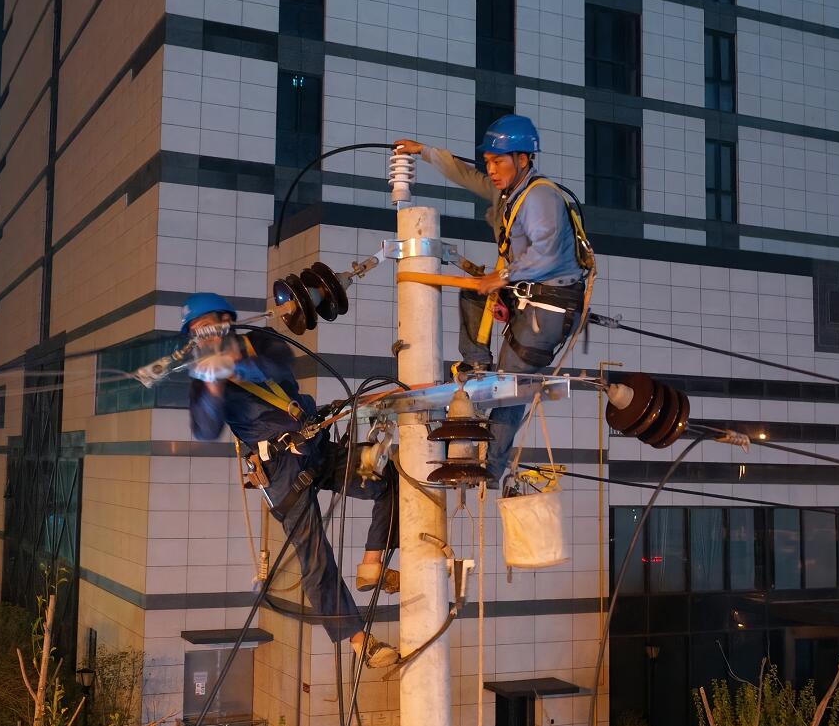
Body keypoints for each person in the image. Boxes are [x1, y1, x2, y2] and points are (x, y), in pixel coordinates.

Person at [181, 292, 400, 668]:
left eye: (210, 326)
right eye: (198, 332)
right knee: (315, 557)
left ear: (226, 320)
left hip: (313, 445)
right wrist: (214, 383)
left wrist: (235, 361)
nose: (206, 336)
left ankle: (372, 561)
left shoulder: (258, 342)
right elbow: (205, 428)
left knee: (387, 479)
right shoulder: (204, 377)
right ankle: (358, 640)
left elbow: (282, 366)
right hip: (280, 472)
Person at [395, 115, 593, 485]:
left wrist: (500, 278)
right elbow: (466, 174)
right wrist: (424, 152)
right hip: (527, 294)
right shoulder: (509, 191)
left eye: (498, 161)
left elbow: (547, 255)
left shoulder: (540, 197)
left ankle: (490, 469)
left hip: (548, 307)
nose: (491, 169)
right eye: (489, 161)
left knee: (509, 387)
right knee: (473, 293)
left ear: (523, 159)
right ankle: (476, 365)